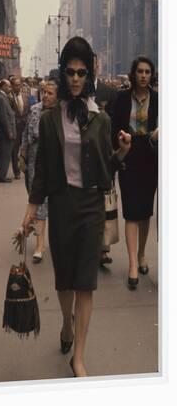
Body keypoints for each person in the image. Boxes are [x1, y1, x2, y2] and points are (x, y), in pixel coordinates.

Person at [22, 37, 131, 377]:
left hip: (90, 206)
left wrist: (122, 154)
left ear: (89, 75)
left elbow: (104, 169)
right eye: (70, 72)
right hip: (62, 204)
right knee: (64, 280)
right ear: (63, 72)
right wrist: (30, 210)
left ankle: (78, 356)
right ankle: (66, 325)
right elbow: (41, 171)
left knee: (85, 282)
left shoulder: (101, 119)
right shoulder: (50, 118)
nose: (75, 79)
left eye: (81, 73)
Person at [112, 56, 158, 290]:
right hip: (128, 157)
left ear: (152, 75)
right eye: (139, 71)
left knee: (145, 212)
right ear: (133, 74)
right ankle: (132, 264)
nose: (143, 75)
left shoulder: (159, 100)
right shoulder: (121, 98)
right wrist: (120, 141)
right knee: (131, 211)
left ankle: (141, 254)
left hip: (150, 160)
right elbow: (113, 127)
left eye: (147, 72)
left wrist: (156, 135)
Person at [20, 80, 58, 263]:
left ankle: (55, 242)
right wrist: (22, 155)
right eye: (44, 92)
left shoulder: (61, 113)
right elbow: (26, 133)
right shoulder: (35, 109)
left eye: (50, 93)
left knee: (56, 205)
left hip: (56, 164)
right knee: (39, 203)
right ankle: (39, 244)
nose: (46, 96)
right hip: (36, 162)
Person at [93, 53, 118, 267]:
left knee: (105, 205)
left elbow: (117, 125)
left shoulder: (109, 92)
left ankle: (103, 249)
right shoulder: (74, 93)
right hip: (80, 161)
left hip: (105, 157)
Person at [9, 77, 30, 179]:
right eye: (15, 85)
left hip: (25, 126)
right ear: (12, 86)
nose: (18, 87)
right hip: (15, 127)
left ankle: (27, 168)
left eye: (19, 85)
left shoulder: (26, 96)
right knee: (15, 149)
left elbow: (29, 110)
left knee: (27, 148)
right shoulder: (9, 97)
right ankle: (16, 172)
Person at [0, 79, 16, 183]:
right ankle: (1, 176)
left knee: (6, 154)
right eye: (8, 86)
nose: (10, 88)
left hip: (7, 132)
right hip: (5, 133)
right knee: (5, 154)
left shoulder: (5, 97)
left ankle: (2, 175)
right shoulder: (1, 98)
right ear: (2, 86)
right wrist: (9, 132)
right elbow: (4, 117)